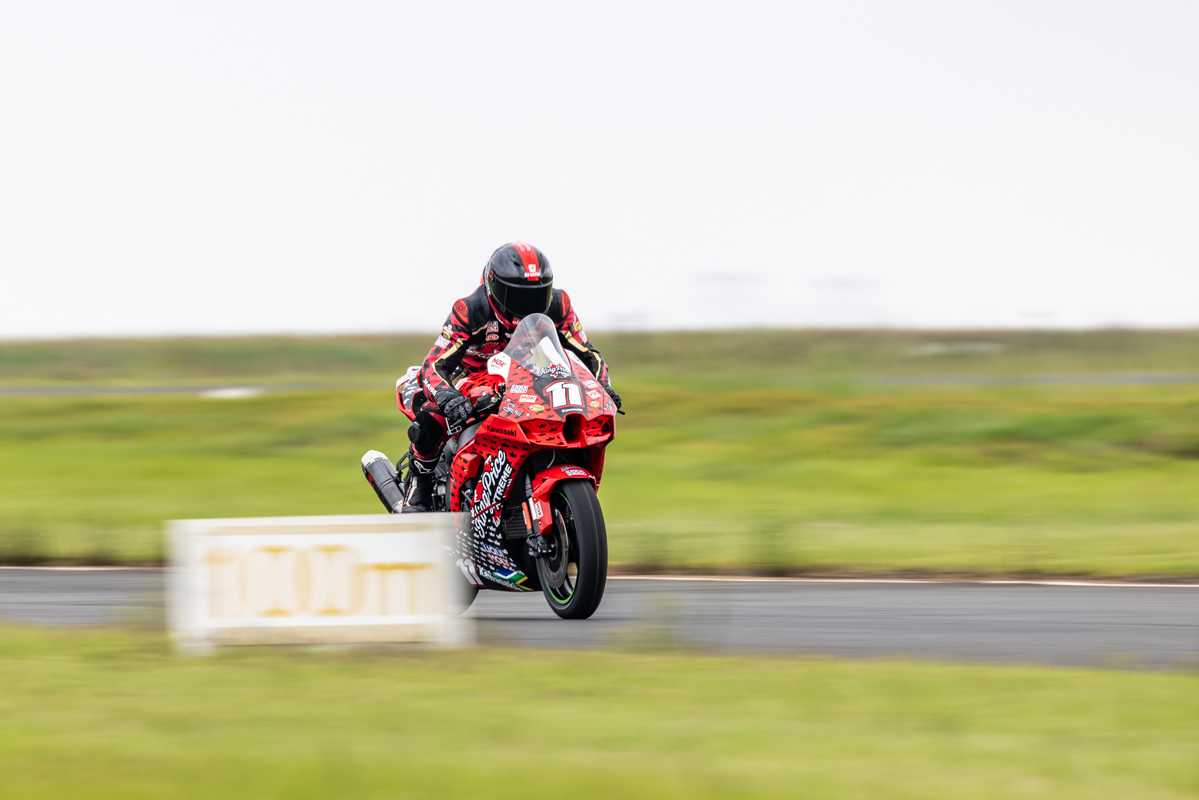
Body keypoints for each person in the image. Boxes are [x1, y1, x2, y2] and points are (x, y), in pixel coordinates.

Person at [399, 242, 621, 512]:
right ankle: (418, 487)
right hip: (469, 374)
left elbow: (588, 354)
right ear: (492, 285)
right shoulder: (470, 310)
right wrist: (448, 397)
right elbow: (434, 363)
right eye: (516, 296)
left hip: (525, 372)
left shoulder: (559, 306)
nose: (526, 306)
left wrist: (602, 386)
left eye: (536, 296)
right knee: (433, 414)